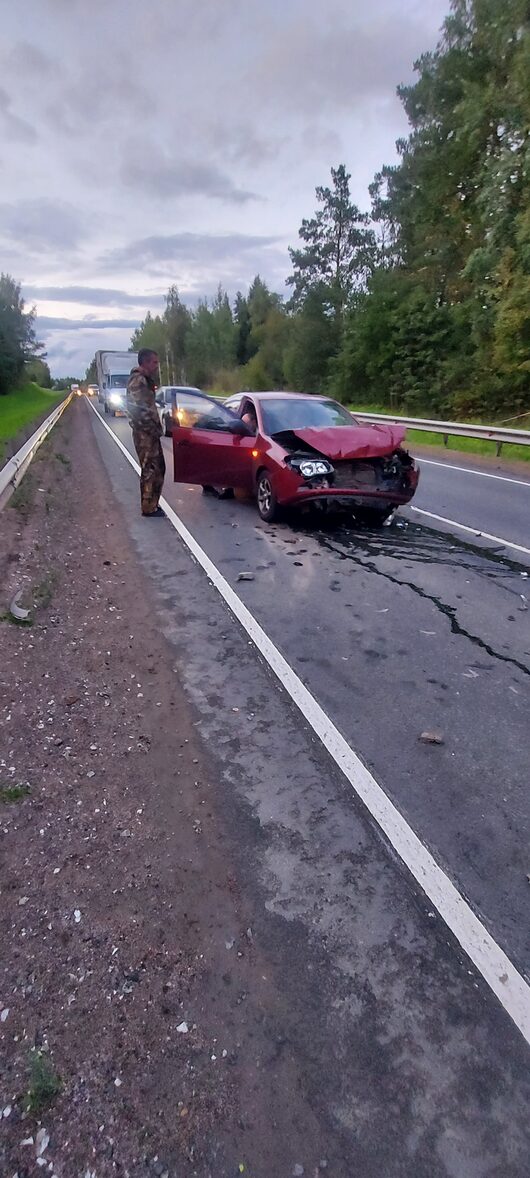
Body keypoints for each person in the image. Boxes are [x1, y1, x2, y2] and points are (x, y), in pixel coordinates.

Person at [126, 348, 165, 517]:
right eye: (154, 362)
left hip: (151, 433)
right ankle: (148, 507)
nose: (157, 366)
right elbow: (138, 410)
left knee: (159, 468)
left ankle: (153, 503)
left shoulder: (146, 380)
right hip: (144, 434)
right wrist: (151, 429)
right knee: (149, 469)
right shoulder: (138, 381)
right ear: (146, 363)